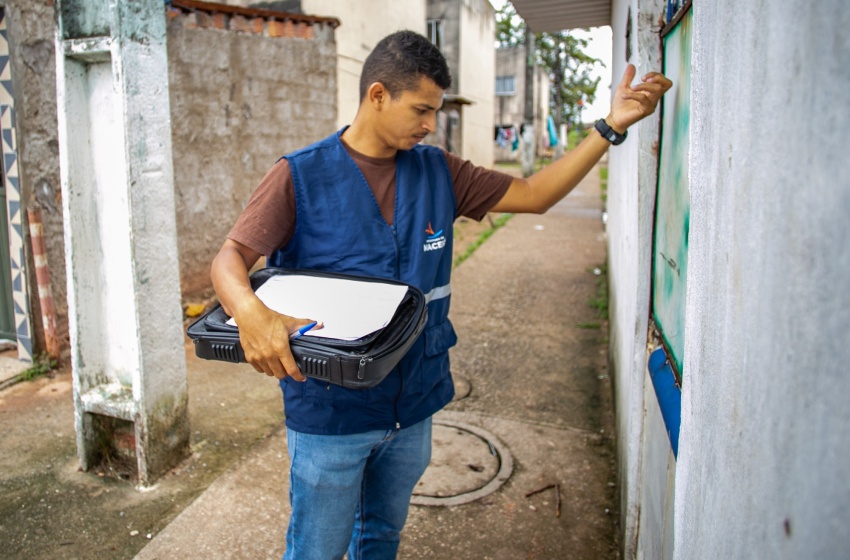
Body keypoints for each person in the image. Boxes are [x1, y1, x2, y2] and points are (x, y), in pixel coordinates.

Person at [211, 29, 671, 560]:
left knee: (382, 536)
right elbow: (230, 260)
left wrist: (609, 128)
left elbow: (536, 194)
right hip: (330, 414)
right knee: (318, 549)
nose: (432, 124)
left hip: (415, 406)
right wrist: (250, 313)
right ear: (377, 95)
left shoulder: (440, 172)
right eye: (422, 110)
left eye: (436, 111)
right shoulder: (299, 175)